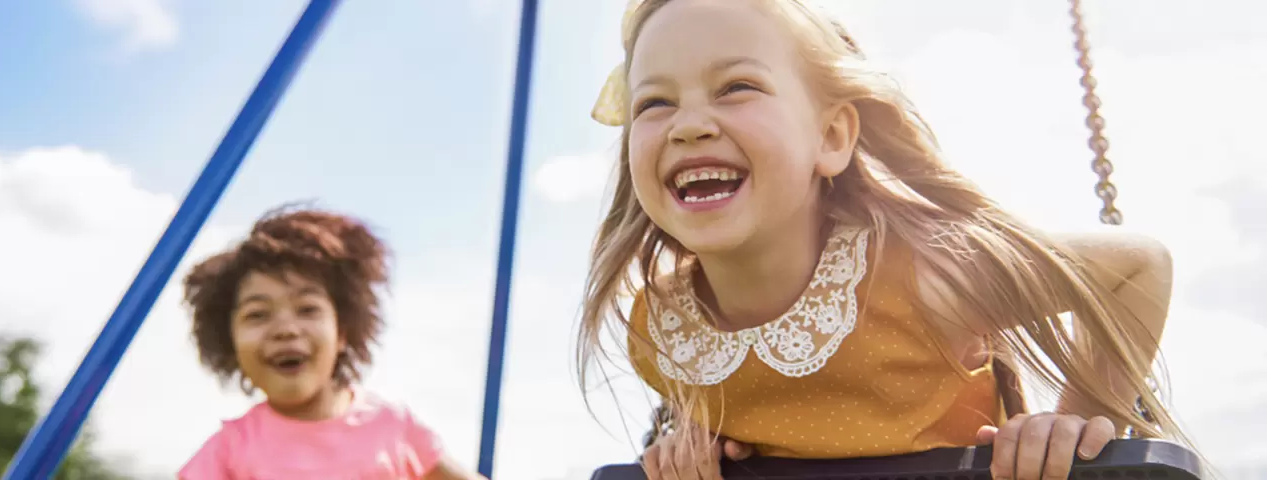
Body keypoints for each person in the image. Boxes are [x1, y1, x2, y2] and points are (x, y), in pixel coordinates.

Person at [574, 1, 1191, 479]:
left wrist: (1075, 422)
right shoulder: (661, 327)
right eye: (654, 102)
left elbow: (1138, 265)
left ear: (833, 137)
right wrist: (688, 447)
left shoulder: (918, 279)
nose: (690, 125)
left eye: (736, 87)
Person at [178, 204, 483, 480]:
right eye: (258, 314)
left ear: (343, 332)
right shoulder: (231, 452)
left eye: (307, 309)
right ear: (229, 342)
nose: (286, 329)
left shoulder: (392, 428)